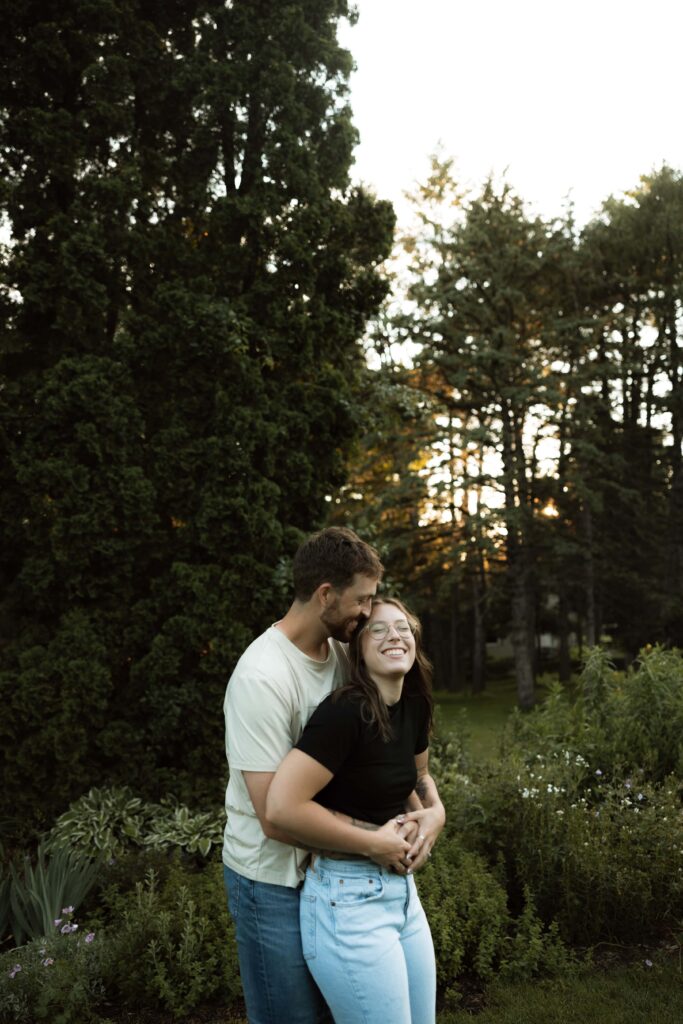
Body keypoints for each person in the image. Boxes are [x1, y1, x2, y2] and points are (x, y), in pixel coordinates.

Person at [223, 526, 413, 1024]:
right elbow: (273, 817)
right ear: (325, 594)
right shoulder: (261, 677)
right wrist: (374, 842)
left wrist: (428, 812)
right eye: (362, 601)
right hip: (272, 881)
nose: (369, 614)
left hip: (334, 877)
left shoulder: (345, 656)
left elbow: (387, 747)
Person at [266, 596, 443, 1024]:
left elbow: (417, 776)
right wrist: (373, 844)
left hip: (403, 897)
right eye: (378, 630)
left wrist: (434, 814)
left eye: (403, 627)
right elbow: (281, 808)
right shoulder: (345, 712)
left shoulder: (414, 704)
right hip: (347, 902)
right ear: (357, 650)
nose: (394, 636)